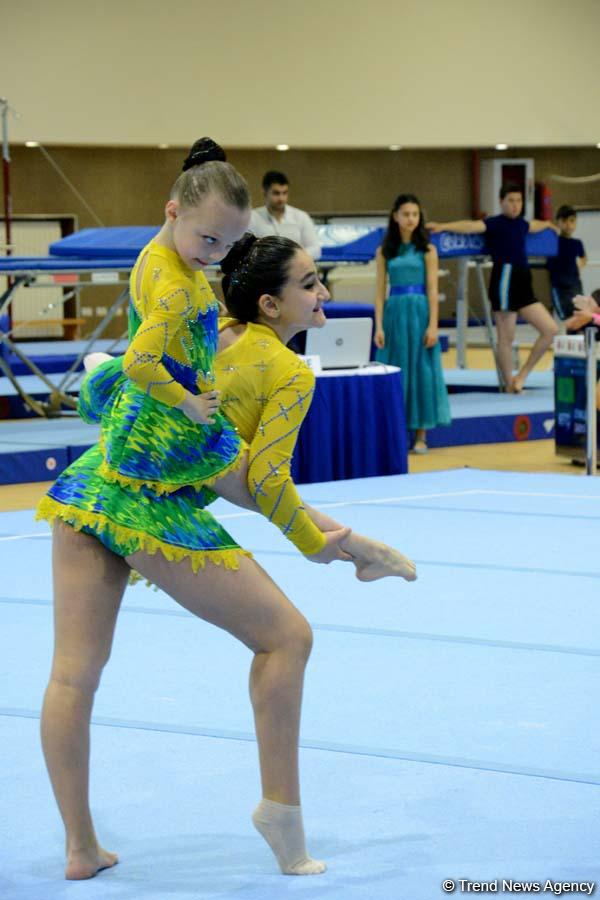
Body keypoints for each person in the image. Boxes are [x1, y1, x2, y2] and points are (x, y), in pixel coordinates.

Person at [37, 175, 416, 881]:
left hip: (90, 488)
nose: (324, 296)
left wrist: (341, 541)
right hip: (151, 509)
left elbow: (112, 388)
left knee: (73, 675)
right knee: (288, 637)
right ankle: (282, 815)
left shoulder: (201, 318)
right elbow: (257, 482)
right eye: (312, 285)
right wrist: (333, 546)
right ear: (271, 301)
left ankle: (80, 848)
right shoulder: (286, 372)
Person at [428, 184, 560, 393]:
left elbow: (534, 225)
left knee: (550, 330)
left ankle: (522, 375)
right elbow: (470, 226)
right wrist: (444, 226)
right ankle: (510, 383)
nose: (515, 205)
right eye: (511, 201)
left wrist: (548, 224)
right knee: (506, 338)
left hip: (523, 281)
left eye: (518, 201)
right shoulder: (494, 223)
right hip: (504, 280)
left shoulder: (522, 224)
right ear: (501, 202)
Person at [374, 193, 451, 454]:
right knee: (397, 371)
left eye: (415, 214)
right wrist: (380, 326)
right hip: (395, 315)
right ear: (395, 217)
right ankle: (395, 432)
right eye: (406, 214)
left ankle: (421, 435)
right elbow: (379, 292)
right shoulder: (384, 252)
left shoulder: (428, 250)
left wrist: (433, 326)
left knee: (422, 371)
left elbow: (432, 289)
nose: (410, 219)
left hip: (419, 315)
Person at [250, 170, 321, 259]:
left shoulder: (301, 217)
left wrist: (292, 258)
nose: (281, 198)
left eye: (285, 193)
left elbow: (315, 249)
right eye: (276, 193)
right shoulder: (252, 218)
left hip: (295, 268)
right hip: (264, 269)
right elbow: (247, 251)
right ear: (265, 193)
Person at [547, 204, 587, 321]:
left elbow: (583, 257)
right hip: (559, 287)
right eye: (564, 221)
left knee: (580, 315)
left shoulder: (577, 243)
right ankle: (566, 338)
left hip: (575, 285)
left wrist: (580, 265)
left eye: (572, 221)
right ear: (558, 222)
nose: (568, 225)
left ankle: (577, 338)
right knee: (565, 318)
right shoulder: (553, 241)